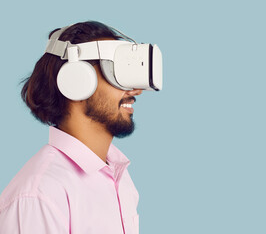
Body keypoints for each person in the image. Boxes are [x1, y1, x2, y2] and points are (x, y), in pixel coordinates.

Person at [0, 21, 152, 234]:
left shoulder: (120, 178)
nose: (136, 90)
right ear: (76, 80)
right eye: (117, 73)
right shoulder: (40, 195)